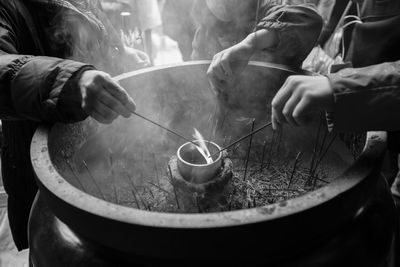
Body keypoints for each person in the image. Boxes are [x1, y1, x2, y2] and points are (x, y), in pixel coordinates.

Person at [0, 0, 150, 250]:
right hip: (48, 168)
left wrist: (121, 51)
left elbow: (92, 20)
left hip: (101, 145)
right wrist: (69, 80)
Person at [204, 0, 323, 94]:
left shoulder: (267, 12)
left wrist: (250, 44)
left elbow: (311, 20)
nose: (220, 4)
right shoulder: (207, 30)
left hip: (274, 114)